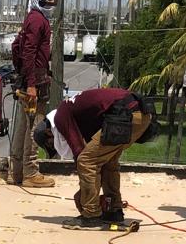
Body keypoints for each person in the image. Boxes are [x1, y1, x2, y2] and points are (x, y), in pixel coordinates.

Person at [33, 86, 155, 228]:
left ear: (49, 132)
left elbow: (80, 154)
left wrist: (83, 195)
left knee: (86, 161)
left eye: (50, 144)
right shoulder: (75, 113)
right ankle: (113, 211)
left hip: (124, 114)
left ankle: (91, 216)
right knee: (108, 162)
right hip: (140, 114)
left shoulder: (61, 116)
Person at [6, 0, 58, 189]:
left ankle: (15, 171)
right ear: (38, 0)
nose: (51, 5)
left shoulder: (34, 18)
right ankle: (30, 172)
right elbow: (29, 52)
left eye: (54, 1)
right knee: (33, 127)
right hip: (34, 80)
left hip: (31, 78)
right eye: (47, 1)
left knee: (23, 126)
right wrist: (31, 84)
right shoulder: (38, 21)